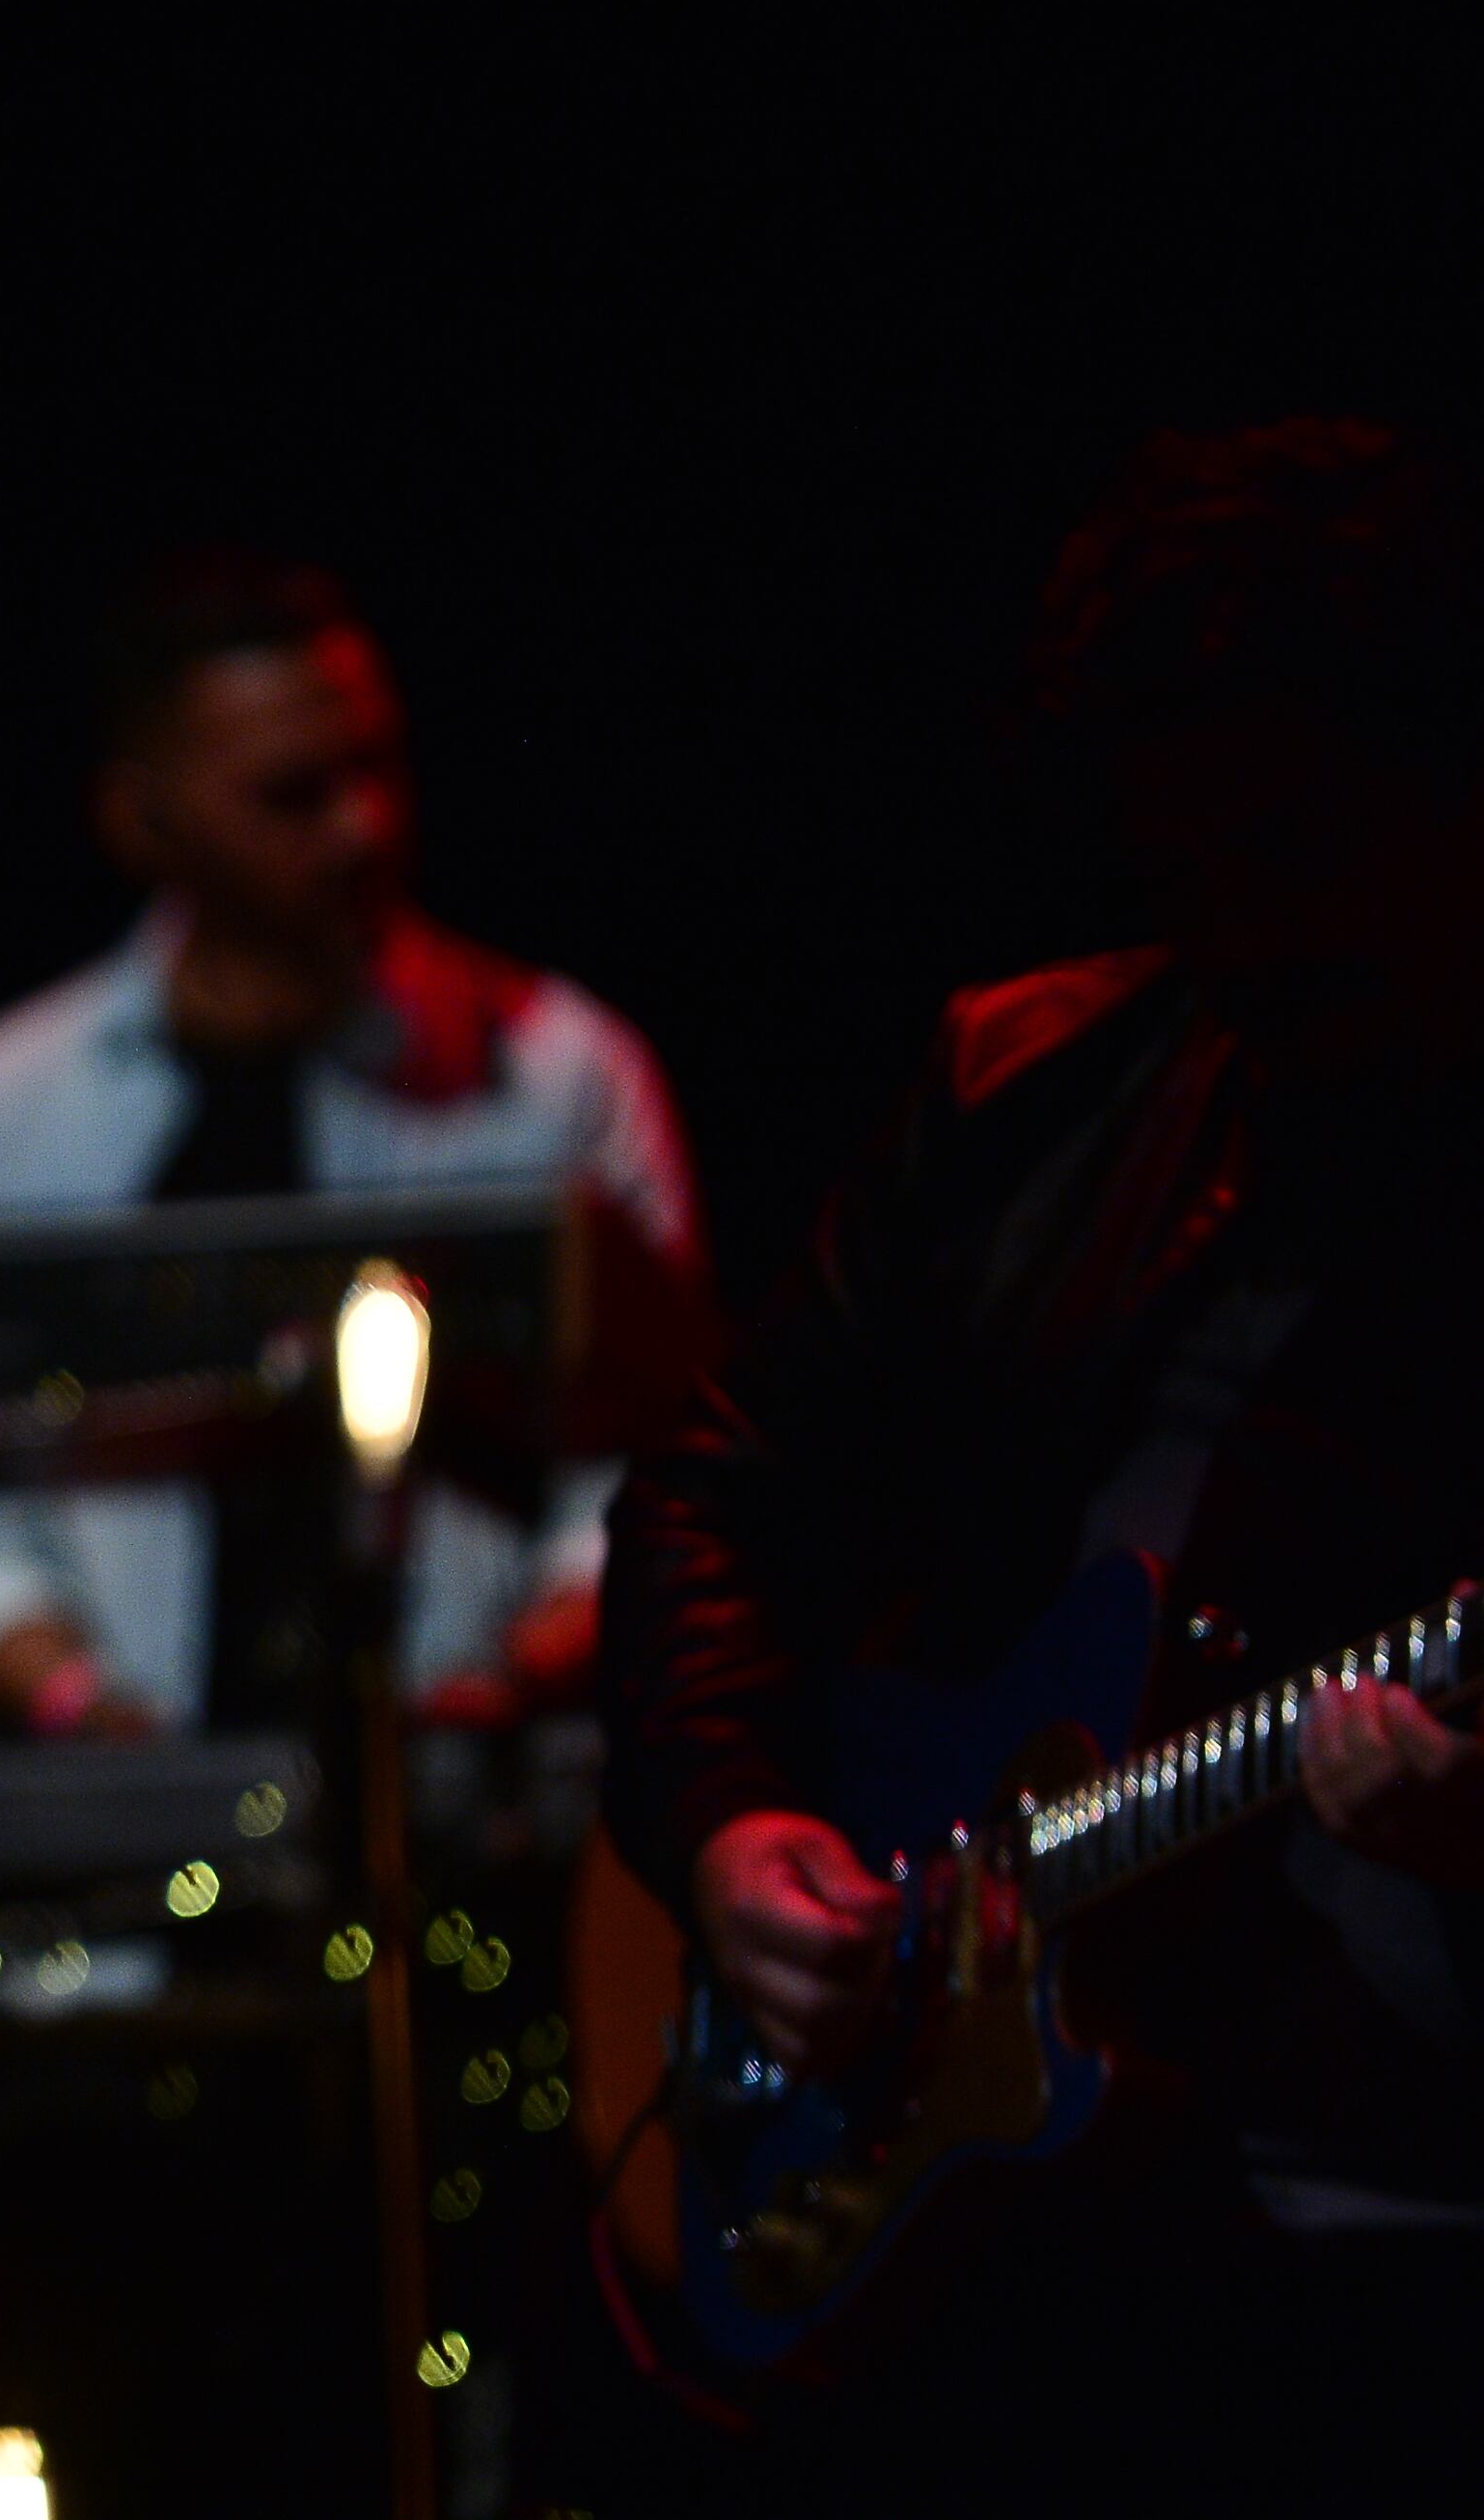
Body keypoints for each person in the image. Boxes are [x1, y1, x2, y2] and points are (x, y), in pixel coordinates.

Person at [597, 420, 1484, 2510]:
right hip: (1049, 2239)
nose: (1245, 936)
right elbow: (716, 1496)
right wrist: (730, 1830)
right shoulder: (1037, 1082)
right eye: (1186, 866)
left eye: (1296, 847)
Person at [0, 552, 702, 1731]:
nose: (362, 826)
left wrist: (507, 1678)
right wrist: (87, 1707)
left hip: (487, 1828)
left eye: (375, 767)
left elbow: (653, 1460)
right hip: (129, 1854)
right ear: (141, 818)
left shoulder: (561, 1073)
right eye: (294, 793)